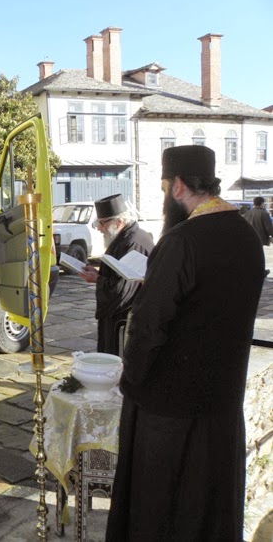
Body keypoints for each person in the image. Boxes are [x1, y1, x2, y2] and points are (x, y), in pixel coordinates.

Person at [106, 145, 265, 541]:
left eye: (164, 188)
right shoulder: (247, 237)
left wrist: (131, 381)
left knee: (164, 512)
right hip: (222, 405)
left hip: (169, 413)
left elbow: (148, 327)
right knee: (209, 510)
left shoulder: (182, 240)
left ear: (177, 186)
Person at [78, 194, 154, 355]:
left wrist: (97, 279)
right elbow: (117, 274)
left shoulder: (133, 242)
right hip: (118, 318)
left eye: (102, 223)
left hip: (125, 320)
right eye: (98, 223)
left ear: (119, 222)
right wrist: (97, 274)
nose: (99, 228)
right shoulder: (125, 238)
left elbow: (123, 291)